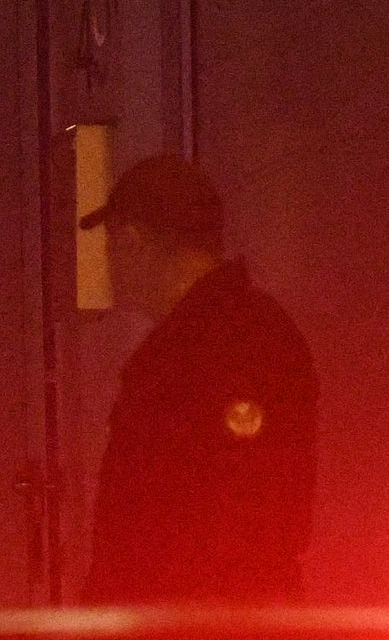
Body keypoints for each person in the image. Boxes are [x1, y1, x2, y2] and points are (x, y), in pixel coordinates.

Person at [82, 153, 317, 604]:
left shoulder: (184, 355)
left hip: (185, 630)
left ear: (133, 243)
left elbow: (150, 517)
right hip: (250, 616)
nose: (108, 265)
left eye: (111, 247)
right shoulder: (266, 330)